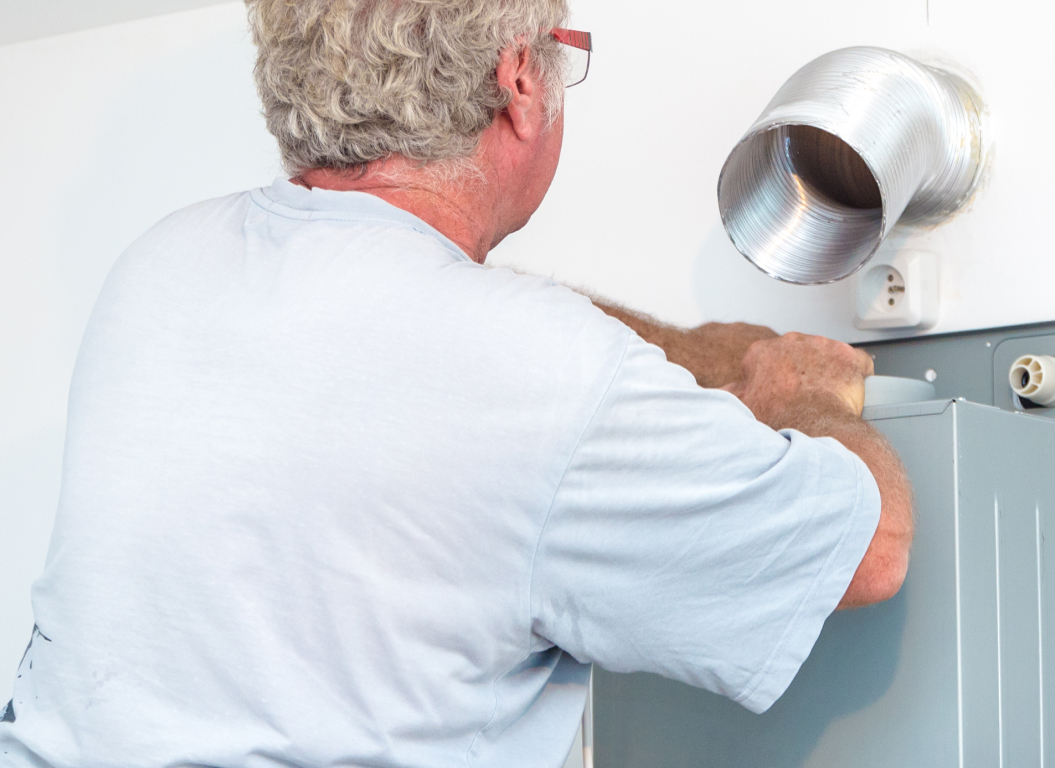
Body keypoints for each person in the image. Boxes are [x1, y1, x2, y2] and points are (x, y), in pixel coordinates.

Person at [0, 0, 913, 766]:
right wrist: (795, 389)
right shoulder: (544, 375)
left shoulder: (166, 262)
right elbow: (871, 552)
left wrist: (693, 353)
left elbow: (420, 329)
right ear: (519, 81)